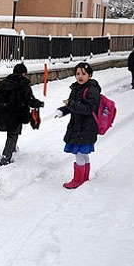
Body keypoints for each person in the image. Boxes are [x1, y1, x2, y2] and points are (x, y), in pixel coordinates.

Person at [55, 62, 100, 190]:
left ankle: (78, 179)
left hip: (87, 126)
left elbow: (88, 108)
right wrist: (63, 110)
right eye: (78, 74)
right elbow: (73, 105)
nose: (80, 76)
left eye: (83, 74)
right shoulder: (76, 88)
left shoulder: (92, 89)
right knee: (83, 153)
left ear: (90, 75)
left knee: (80, 153)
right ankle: (84, 177)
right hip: (78, 125)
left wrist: (71, 104)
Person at [0, 63, 44, 166]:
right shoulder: (23, 84)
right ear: (23, 73)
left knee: (14, 132)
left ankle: (12, 149)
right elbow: (29, 99)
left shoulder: (3, 84)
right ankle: (6, 157)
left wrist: (3, 108)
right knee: (13, 134)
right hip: (16, 114)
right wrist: (39, 103)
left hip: (4, 114)